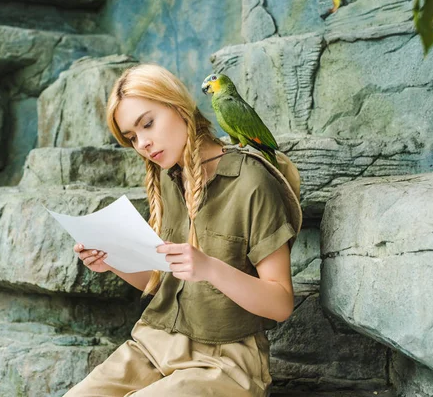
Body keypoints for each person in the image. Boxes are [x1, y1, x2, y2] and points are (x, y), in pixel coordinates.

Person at [62, 63, 302, 397]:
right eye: (132, 137)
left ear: (178, 106)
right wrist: (111, 260)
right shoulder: (166, 176)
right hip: (153, 344)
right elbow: (157, 281)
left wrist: (210, 268)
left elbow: (281, 303)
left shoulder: (251, 182)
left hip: (225, 363)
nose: (143, 143)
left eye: (148, 123)